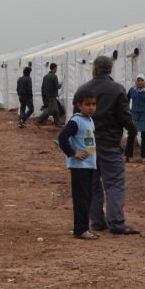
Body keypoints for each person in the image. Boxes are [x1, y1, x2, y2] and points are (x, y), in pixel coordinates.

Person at [74, 56, 139, 235]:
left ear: (94, 69)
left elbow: (75, 119)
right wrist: (133, 132)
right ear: (110, 70)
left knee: (92, 184)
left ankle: (97, 221)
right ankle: (117, 223)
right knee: (114, 183)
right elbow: (125, 117)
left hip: (87, 145)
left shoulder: (83, 89)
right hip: (110, 143)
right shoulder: (117, 89)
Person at [57, 93, 99, 239]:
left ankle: (84, 227)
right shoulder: (76, 121)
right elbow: (62, 138)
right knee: (81, 198)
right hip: (79, 166)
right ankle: (80, 229)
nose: (91, 108)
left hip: (89, 165)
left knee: (87, 197)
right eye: (87, 105)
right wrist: (73, 153)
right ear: (79, 105)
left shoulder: (89, 120)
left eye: (93, 104)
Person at [125, 74, 145, 161]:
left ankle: (144, 156)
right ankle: (127, 155)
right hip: (134, 115)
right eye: (138, 80)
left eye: (141, 80)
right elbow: (126, 99)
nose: (140, 82)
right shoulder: (132, 90)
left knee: (144, 135)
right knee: (131, 134)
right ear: (136, 81)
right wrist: (128, 110)